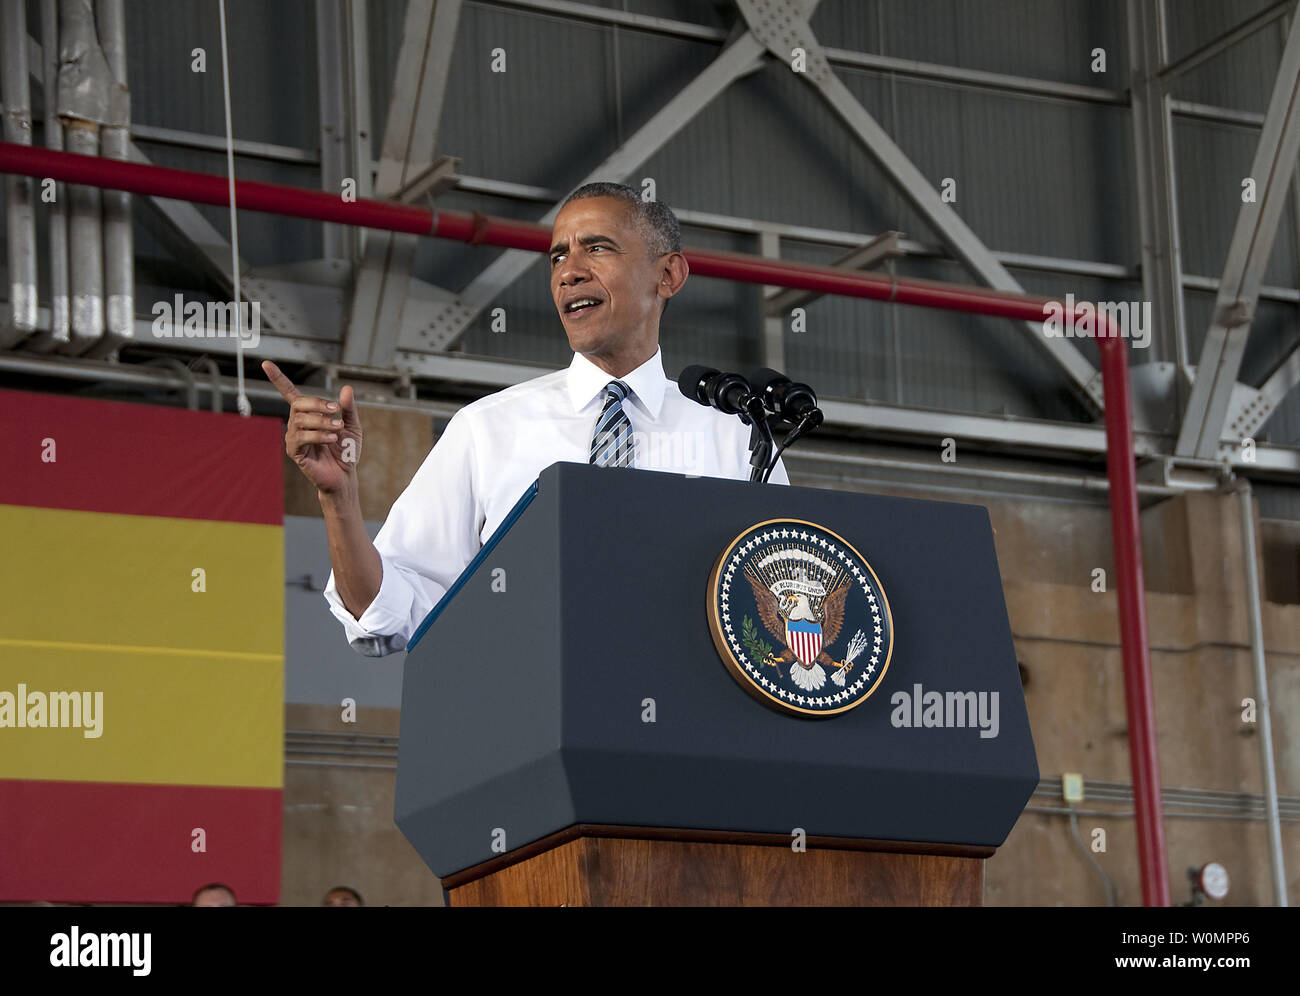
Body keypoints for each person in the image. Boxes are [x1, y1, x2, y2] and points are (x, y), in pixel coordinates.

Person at [264, 182, 788, 656]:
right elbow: (386, 613)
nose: (569, 271)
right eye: (558, 256)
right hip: (532, 728)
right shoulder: (486, 429)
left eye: (597, 247)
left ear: (668, 274)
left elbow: (786, 605)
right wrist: (339, 499)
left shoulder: (737, 437)